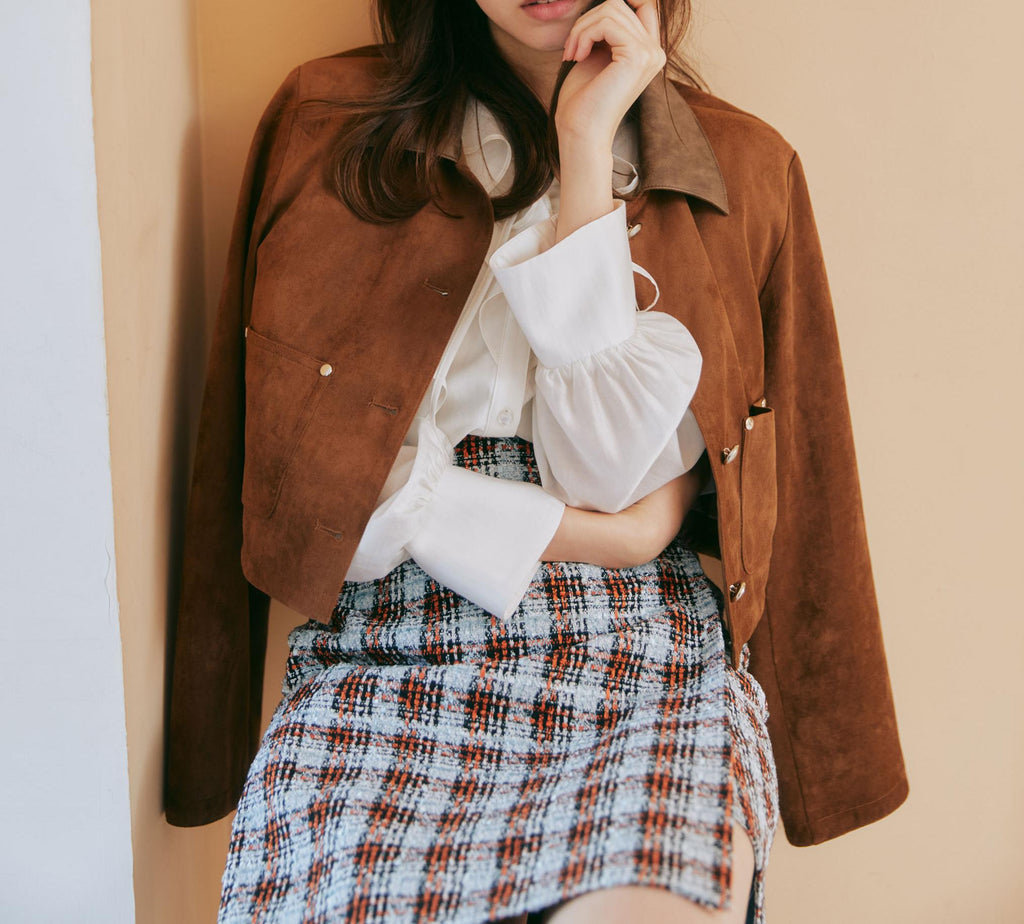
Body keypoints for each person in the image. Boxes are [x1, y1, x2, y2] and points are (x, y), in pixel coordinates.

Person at [165, 1, 909, 922]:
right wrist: (618, 535)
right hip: (387, 643)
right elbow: (304, 474)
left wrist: (585, 146)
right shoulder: (328, 120)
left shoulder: (745, 166)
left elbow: (634, 471)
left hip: (641, 652)